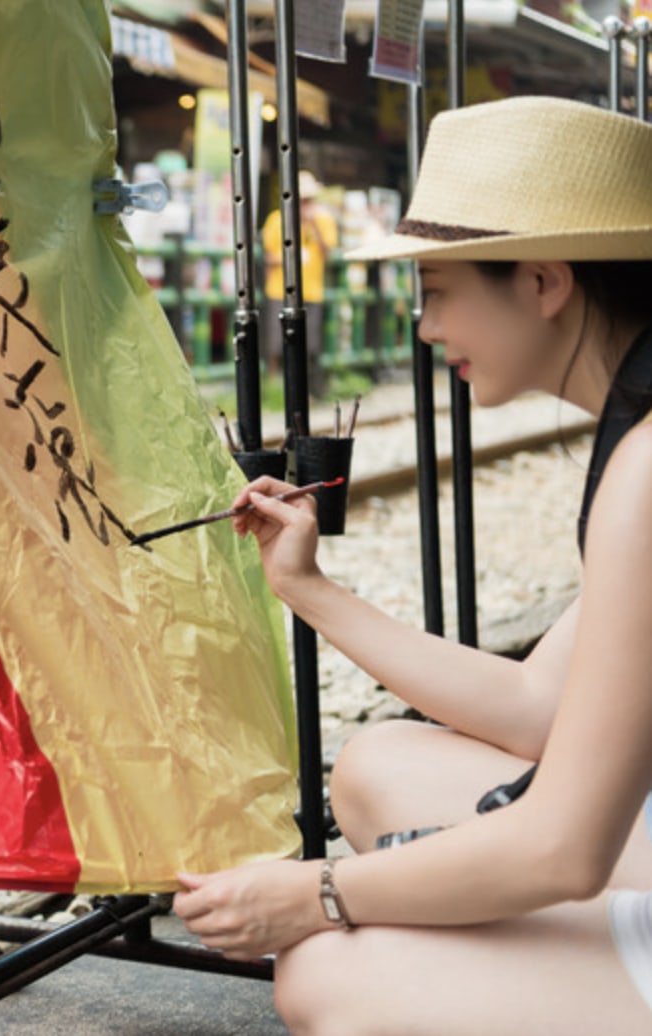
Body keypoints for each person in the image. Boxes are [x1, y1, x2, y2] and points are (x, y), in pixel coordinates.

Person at [173, 96, 652, 1034]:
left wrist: (317, 894)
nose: (427, 328)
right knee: (377, 764)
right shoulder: (637, 428)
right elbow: (540, 713)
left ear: (545, 281)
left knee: (326, 977)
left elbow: (564, 849)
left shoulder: (647, 469)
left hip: (599, 843)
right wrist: (307, 589)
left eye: (437, 290)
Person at [261, 171, 339, 394]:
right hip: (279, 289)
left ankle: (305, 388)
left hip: (312, 290)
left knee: (310, 344)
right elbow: (267, 256)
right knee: (276, 343)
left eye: (308, 200)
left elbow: (329, 251)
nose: (305, 205)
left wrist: (312, 226)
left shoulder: (323, 221)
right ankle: (276, 389)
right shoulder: (276, 220)